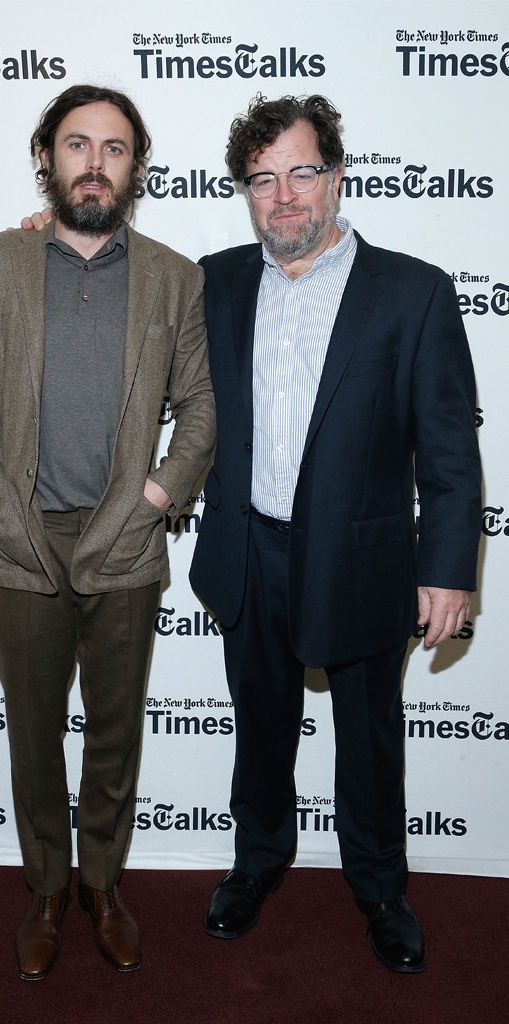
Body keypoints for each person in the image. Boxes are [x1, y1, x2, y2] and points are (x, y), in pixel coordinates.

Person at [0, 83, 215, 981]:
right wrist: (0, 506)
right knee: (35, 731)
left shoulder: (175, 276)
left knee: (115, 736)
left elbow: (200, 406)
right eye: (77, 144)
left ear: (136, 166)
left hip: (127, 542)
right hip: (24, 543)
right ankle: (46, 890)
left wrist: (155, 498)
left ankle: (103, 886)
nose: (95, 162)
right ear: (46, 155)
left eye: (114, 147)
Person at [188, 94, 481, 974]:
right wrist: (42, 232)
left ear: (337, 176)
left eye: (302, 172)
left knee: (369, 736)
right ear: (246, 192)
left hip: (362, 560)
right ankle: (257, 863)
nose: (284, 197)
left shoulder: (414, 290)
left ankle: (381, 887)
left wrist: (449, 568)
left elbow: (449, 450)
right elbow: (116, 291)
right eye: (263, 178)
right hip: (249, 552)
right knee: (261, 726)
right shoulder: (214, 281)